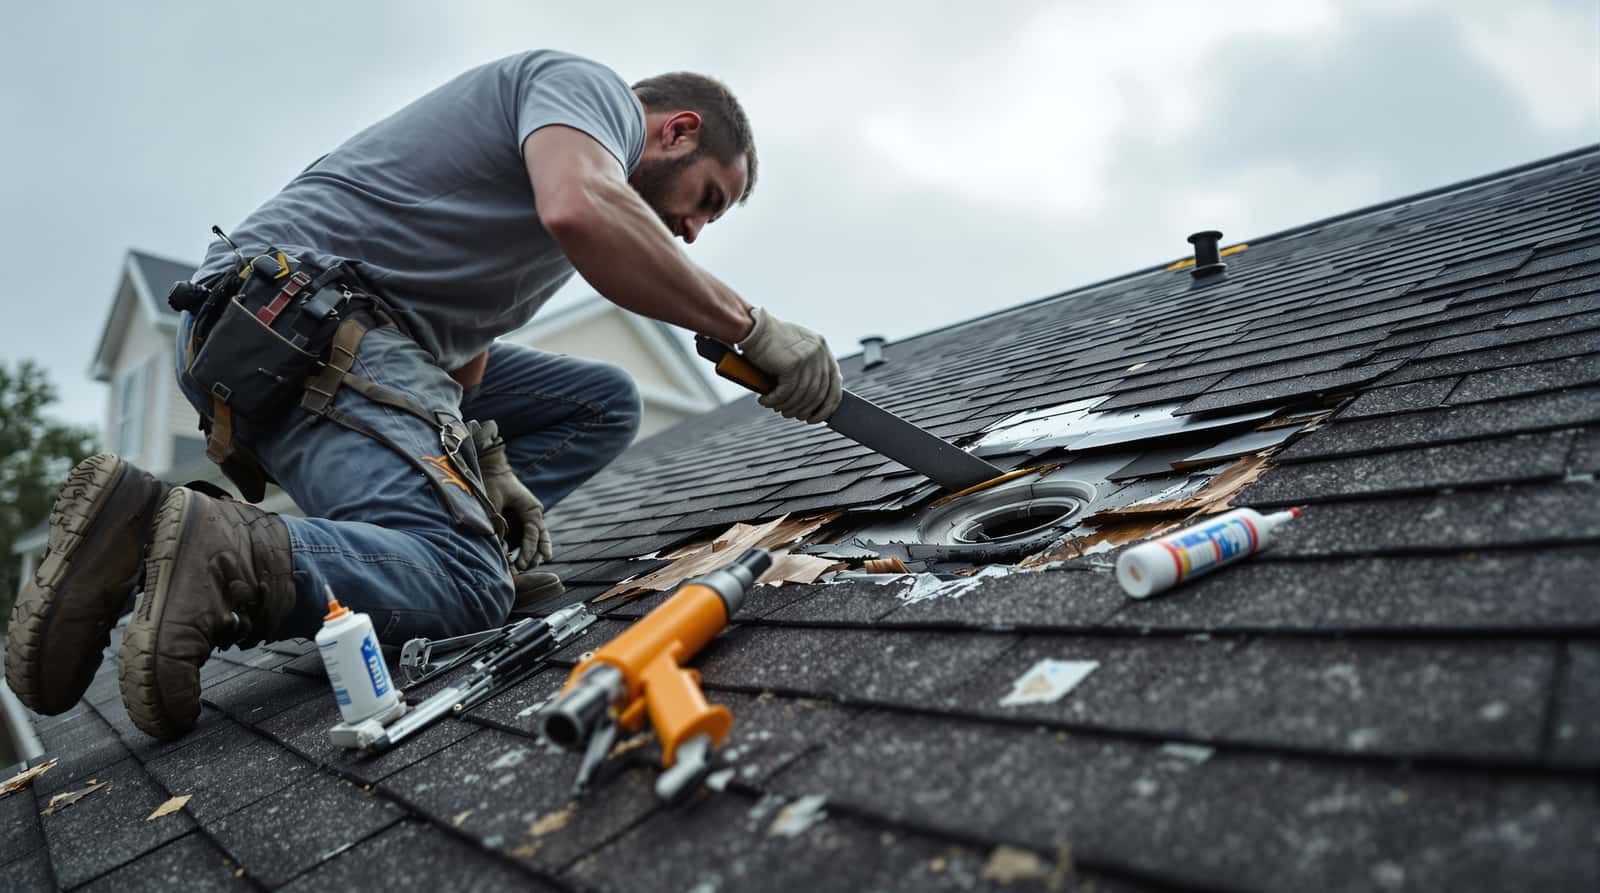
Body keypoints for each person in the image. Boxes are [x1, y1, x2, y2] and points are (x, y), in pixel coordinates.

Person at [4, 50, 842, 740]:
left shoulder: (537, 205)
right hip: (297, 317)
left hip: (316, 329)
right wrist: (750, 326)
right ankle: (224, 546)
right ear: (677, 130)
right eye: (706, 200)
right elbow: (581, 209)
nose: (693, 230)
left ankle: (138, 539)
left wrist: (488, 464)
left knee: (602, 403)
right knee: (467, 584)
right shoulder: (589, 99)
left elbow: (463, 351)